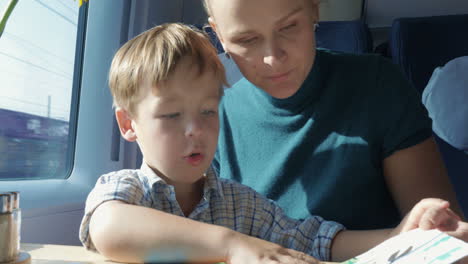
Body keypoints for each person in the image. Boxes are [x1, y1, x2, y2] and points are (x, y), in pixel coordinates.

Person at [79, 22, 467, 264]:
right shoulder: (127, 190)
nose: (194, 129)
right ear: (128, 124)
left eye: (209, 112)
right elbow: (108, 225)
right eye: (171, 116)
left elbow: (315, 241)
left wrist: (399, 236)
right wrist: (232, 246)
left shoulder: (239, 203)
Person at [203, 0, 466, 230]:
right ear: (219, 35)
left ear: (313, 10)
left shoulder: (377, 86)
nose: (273, 58)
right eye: (247, 40)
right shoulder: (209, 119)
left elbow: (441, 234)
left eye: (288, 27)